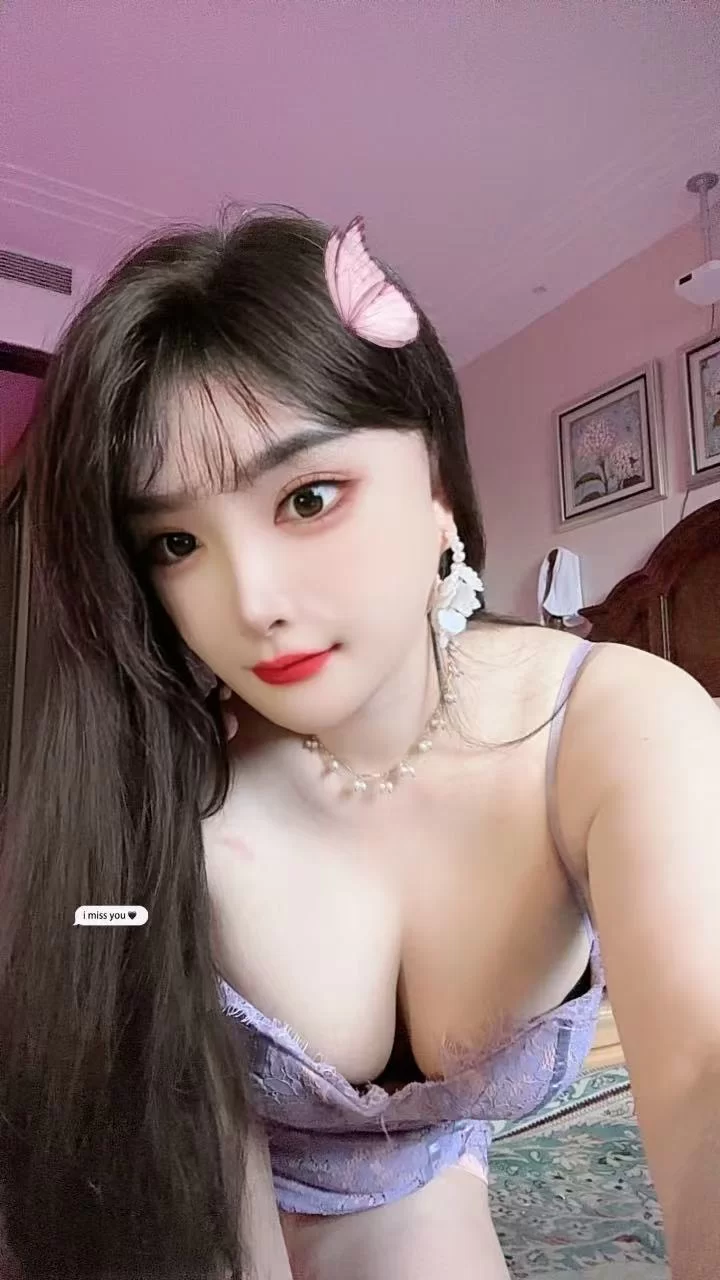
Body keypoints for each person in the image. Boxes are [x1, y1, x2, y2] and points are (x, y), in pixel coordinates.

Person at [0, 209, 718, 1280]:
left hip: (415, 1178)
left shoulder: (611, 728)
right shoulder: (169, 780)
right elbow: (155, 1088)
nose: (252, 601)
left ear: (438, 490)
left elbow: (707, 1061)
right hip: (182, 1176)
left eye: (308, 497)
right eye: (177, 542)